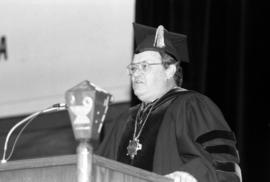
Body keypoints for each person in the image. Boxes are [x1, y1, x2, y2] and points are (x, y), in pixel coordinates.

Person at [95, 23, 242, 182]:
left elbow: (220, 160)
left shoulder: (192, 106)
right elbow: (98, 169)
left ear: (169, 70)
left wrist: (184, 177)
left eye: (144, 66)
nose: (136, 74)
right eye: (133, 68)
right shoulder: (124, 120)